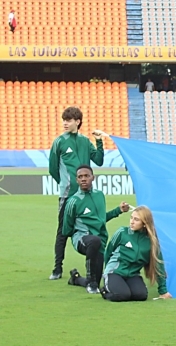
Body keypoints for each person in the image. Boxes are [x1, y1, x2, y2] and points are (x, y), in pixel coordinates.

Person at [48, 107, 106, 280]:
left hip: (86, 195)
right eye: (64, 120)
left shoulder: (86, 141)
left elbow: (99, 161)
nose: (65, 123)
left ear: (78, 122)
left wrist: (99, 142)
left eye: (69, 120)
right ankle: (57, 268)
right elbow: (52, 169)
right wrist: (66, 184)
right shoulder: (59, 142)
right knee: (63, 231)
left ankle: (94, 270)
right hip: (67, 195)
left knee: (92, 228)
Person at [63, 165, 129, 294]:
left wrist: (118, 210)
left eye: (86, 176)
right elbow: (66, 229)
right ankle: (91, 281)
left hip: (99, 242)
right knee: (94, 241)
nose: (83, 179)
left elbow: (101, 219)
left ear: (93, 178)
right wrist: (78, 235)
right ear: (76, 180)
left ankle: (76, 279)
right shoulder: (73, 201)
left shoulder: (99, 195)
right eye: (80, 177)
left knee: (97, 284)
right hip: (82, 240)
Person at [102, 206, 171, 301]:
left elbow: (158, 265)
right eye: (131, 217)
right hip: (115, 272)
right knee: (122, 295)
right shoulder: (122, 232)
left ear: (144, 223)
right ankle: (105, 291)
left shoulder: (152, 241)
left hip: (133, 275)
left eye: (136, 219)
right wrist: (107, 273)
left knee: (141, 296)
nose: (132, 222)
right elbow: (108, 252)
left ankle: (123, 287)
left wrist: (163, 291)